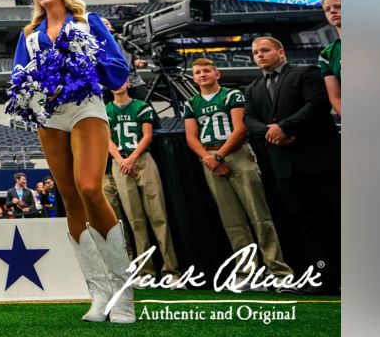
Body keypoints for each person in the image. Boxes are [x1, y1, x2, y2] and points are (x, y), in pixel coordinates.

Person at [10, 0, 133, 323]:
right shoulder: (29, 34)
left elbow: (117, 71)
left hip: (86, 108)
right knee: (70, 197)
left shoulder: (88, 22)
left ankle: (123, 292)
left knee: (90, 187)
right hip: (49, 117)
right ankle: (99, 293)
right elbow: (19, 78)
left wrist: (86, 55)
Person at [243, 37, 341, 294]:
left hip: (320, 162)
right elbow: (249, 119)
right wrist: (270, 132)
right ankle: (323, 276)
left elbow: (317, 105)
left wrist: (285, 127)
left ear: (280, 51)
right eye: (255, 53)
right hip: (285, 169)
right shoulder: (253, 88)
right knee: (308, 227)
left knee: (339, 219)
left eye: (264, 50)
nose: (259, 56)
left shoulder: (305, 72)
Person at [185, 58, 293, 285]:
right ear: (193, 78)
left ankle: (279, 271)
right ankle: (248, 273)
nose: (202, 74)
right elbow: (190, 137)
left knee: (259, 216)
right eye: (197, 72)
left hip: (236, 154)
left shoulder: (231, 95)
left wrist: (219, 156)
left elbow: (241, 129)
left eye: (206, 70)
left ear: (217, 74)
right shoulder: (191, 103)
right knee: (232, 221)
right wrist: (208, 157)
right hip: (209, 158)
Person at [106, 81, 180, 281]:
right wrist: (121, 160)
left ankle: (171, 271)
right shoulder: (105, 110)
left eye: (121, 79)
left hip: (142, 160)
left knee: (159, 217)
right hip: (120, 163)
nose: (117, 84)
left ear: (128, 82)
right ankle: (145, 272)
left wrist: (130, 159)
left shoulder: (141, 106)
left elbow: (147, 136)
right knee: (134, 221)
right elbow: (108, 140)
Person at [317, 0, 341, 115]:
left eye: (338, 6)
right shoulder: (326, 54)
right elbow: (335, 97)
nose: (332, 11)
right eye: (327, 9)